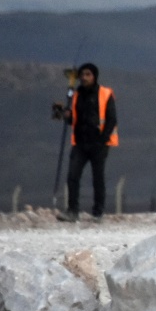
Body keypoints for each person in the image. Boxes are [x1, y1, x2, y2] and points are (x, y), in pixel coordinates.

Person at [52, 62, 118, 221]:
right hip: (80, 142)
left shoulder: (105, 94)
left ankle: (98, 212)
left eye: (88, 74)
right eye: (82, 75)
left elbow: (111, 119)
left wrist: (103, 140)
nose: (84, 77)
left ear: (94, 76)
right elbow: (74, 119)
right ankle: (72, 211)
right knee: (73, 176)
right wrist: (66, 115)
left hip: (99, 143)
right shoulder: (76, 96)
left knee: (97, 178)